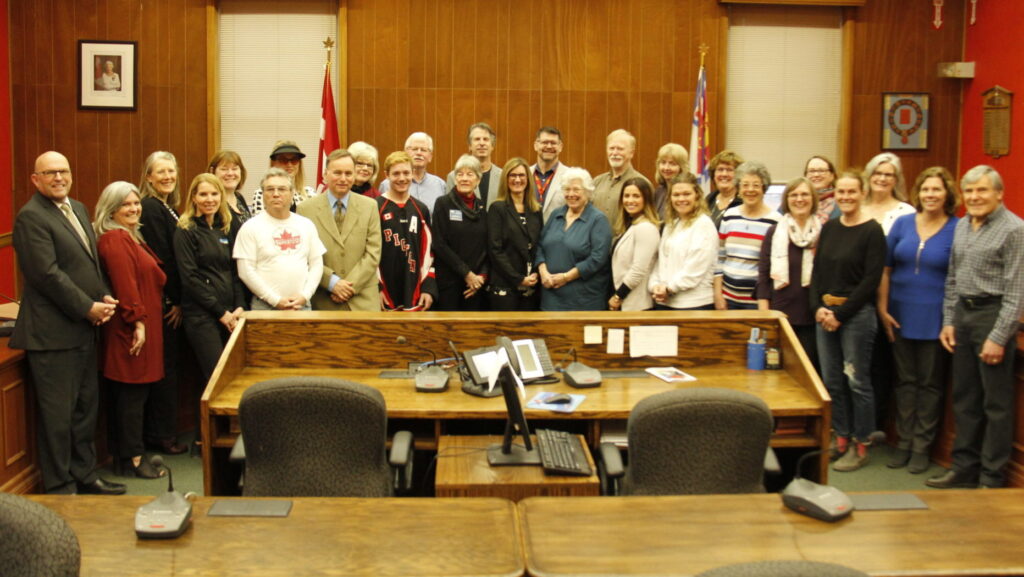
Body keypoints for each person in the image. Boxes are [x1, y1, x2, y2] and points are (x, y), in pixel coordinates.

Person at [10, 151, 125, 495]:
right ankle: (61, 486)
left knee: (85, 410)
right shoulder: (31, 217)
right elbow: (46, 275)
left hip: (84, 330)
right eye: (49, 173)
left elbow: (87, 264)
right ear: (36, 179)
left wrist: (103, 296)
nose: (58, 178)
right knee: (58, 417)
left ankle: (85, 476)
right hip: (52, 334)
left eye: (63, 171)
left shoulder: (77, 208)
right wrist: (87, 307)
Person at [928, 165, 1024, 489]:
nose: (974, 197)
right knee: (964, 398)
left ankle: (991, 478)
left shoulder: (1015, 230)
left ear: (999, 193)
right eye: (969, 191)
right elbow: (953, 278)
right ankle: (963, 468)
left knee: (995, 405)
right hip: (963, 316)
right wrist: (949, 321)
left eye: (982, 190)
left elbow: (1016, 292)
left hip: (992, 316)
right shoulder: (962, 225)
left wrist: (998, 337)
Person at [877, 167, 959, 474]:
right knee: (905, 382)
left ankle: (922, 447)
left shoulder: (958, 228)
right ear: (918, 193)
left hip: (936, 318)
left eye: (937, 189)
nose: (930, 195)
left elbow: (957, 278)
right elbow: (885, 270)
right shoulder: (903, 223)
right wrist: (883, 309)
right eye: (925, 189)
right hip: (899, 314)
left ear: (947, 194)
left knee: (930, 385)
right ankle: (904, 442)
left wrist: (950, 319)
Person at [810, 170, 886, 472]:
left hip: (855, 317)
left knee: (857, 382)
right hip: (825, 314)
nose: (846, 197)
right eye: (841, 192)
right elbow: (816, 272)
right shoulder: (829, 228)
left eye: (852, 191)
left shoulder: (872, 231)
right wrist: (818, 308)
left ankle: (861, 442)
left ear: (863, 193)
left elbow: (871, 281)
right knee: (832, 382)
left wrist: (840, 316)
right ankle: (840, 437)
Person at [93, 181, 167, 479]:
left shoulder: (130, 236)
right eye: (126, 204)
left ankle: (128, 457)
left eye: (136, 203)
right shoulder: (115, 239)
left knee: (134, 395)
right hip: (130, 328)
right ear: (111, 210)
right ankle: (133, 459)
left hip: (142, 323)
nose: (134, 208)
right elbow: (125, 284)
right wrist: (137, 322)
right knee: (130, 396)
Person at [174, 174, 246, 404]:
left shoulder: (224, 226)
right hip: (202, 316)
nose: (209, 199)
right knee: (216, 379)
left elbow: (234, 271)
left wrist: (239, 307)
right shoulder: (185, 230)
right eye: (203, 194)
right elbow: (190, 278)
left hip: (230, 314)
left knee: (234, 377)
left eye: (214, 194)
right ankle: (207, 428)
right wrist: (220, 312)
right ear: (193, 198)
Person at [137, 151, 188, 456]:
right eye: (161, 172)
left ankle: (163, 432)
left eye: (171, 171)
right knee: (164, 369)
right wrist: (176, 301)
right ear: (148, 177)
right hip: (165, 306)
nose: (168, 176)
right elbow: (163, 259)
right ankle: (161, 435)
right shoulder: (150, 207)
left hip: (169, 302)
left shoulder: (167, 206)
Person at [297, 149, 382, 311]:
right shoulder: (305, 209)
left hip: (363, 301)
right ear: (325, 174)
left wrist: (348, 287)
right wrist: (332, 283)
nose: (343, 179)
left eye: (348, 173)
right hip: (324, 301)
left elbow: (373, 253)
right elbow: (304, 255)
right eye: (337, 173)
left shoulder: (370, 206)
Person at [234, 168, 325, 311]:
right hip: (265, 306)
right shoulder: (250, 227)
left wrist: (305, 295)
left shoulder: (306, 225)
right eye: (270, 189)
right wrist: (275, 300)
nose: (276, 194)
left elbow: (317, 264)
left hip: (301, 305)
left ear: (292, 193)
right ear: (263, 194)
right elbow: (246, 271)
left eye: (282, 189)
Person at [757, 177, 821, 369]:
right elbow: (763, 274)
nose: (799, 199)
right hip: (780, 313)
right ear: (786, 200)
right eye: (794, 195)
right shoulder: (774, 232)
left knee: (809, 369)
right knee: (779, 370)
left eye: (804, 194)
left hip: (812, 315)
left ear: (813, 199)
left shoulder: (824, 233)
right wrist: (764, 312)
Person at [536, 167, 612, 311]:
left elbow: (598, 258)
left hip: (582, 301)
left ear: (588, 192)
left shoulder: (598, 220)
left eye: (576, 189)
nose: (571, 194)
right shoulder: (556, 214)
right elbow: (540, 245)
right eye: (567, 189)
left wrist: (565, 277)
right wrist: (543, 271)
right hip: (550, 297)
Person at [714, 161, 781, 310]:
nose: (750, 190)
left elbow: (776, 266)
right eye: (745, 185)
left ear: (764, 188)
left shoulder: (775, 221)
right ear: (738, 188)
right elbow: (720, 258)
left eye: (756, 185)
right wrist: (718, 295)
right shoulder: (729, 216)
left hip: (757, 303)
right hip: (727, 300)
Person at [377, 151, 438, 311]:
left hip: (414, 290)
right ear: (386, 175)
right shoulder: (376, 207)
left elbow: (429, 252)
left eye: (406, 173)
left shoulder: (421, 209)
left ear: (412, 173)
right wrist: (377, 287)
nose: (402, 178)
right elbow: (367, 251)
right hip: (385, 292)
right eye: (396, 173)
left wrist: (428, 287)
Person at [649, 174, 718, 310]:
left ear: (697, 195)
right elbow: (661, 261)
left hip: (694, 304)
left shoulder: (703, 224)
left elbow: (695, 268)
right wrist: (655, 285)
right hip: (665, 301)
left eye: (686, 194)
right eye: (676, 195)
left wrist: (669, 288)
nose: (681, 199)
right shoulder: (671, 224)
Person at [433, 155, 489, 311]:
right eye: (460, 174)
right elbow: (439, 244)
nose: (464, 178)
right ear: (455, 178)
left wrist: (480, 277)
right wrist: (467, 274)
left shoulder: (482, 208)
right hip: (449, 282)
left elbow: (487, 246)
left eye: (470, 174)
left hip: (475, 284)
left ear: (478, 180)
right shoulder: (443, 203)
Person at [487, 157, 542, 311]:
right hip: (505, 287)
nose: (517, 180)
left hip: (531, 288)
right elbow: (495, 250)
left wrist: (535, 274)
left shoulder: (536, 210)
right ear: (506, 179)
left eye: (521, 175)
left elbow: (539, 245)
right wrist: (518, 279)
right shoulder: (497, 209)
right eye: (512, 175)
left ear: (528, 179)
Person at [609, 178, 661, 311]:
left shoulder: (646, 228)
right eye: (626, 196)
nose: (630, 200)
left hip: (638, 304)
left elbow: (638, 270)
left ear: (646, 199)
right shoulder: (631, 225)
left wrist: (618, 296)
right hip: (628, 302)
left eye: (636, 196)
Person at [592, 129, 651, 223]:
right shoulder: (596, 182)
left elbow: (649, 217)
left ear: (631, 153)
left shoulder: (642, 183)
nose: (615, 153)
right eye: (611, 148)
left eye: (620, 149)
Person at [379, 132, 447, 211]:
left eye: (423, 150)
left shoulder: (440, 185)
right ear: (405, 153)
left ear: (430, 157)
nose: (419, 153)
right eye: (414, 149)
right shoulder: (387, 184)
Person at [446, 123, 503, 207]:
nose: (482, 143)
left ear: (492, 146)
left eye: (485, 139)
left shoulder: (503, 176)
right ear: (470, 146)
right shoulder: (454, 176)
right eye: (477, 139)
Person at [251, 140, 316, 214]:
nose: (289, 164)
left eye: (294, 160)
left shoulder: (309, 193)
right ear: (273, 163)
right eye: (283, 160)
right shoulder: (262, 193)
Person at [862, 152, 915, 234]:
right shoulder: (857, 207)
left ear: (896, 180)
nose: (882, 179)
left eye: (888, 175)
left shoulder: (907, 212)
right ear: (869, 176)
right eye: (877, 173)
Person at [531, 126, 571, 222]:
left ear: (560, 147)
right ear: (536, 145)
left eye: (553, 143)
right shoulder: (524, 174)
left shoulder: (571, 176)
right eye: (545, 142)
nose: (549, 146)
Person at [208, 150, 252, 226]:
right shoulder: (212, 202)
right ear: (212, 171)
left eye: (234, 169)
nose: (230, 173)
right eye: (224, 169)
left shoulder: (239, 197)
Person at [706, 150, 745, 228]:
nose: (724, 174)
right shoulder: (708, 200)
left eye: (729, 170)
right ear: (714, 174)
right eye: (720, 169)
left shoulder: (744, 202)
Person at [652, 143, 689, 220]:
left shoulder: (686, 192)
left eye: (672, 164)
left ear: (682, 167)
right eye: (663, 162)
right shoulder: (659, 191)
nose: (666, 168)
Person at [805, 155, 840, 224]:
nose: (816, 175)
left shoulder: (841, 201)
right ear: (806, 176)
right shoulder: (797, 200)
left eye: (821, 171)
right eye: (812, 171)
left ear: (832, 176)